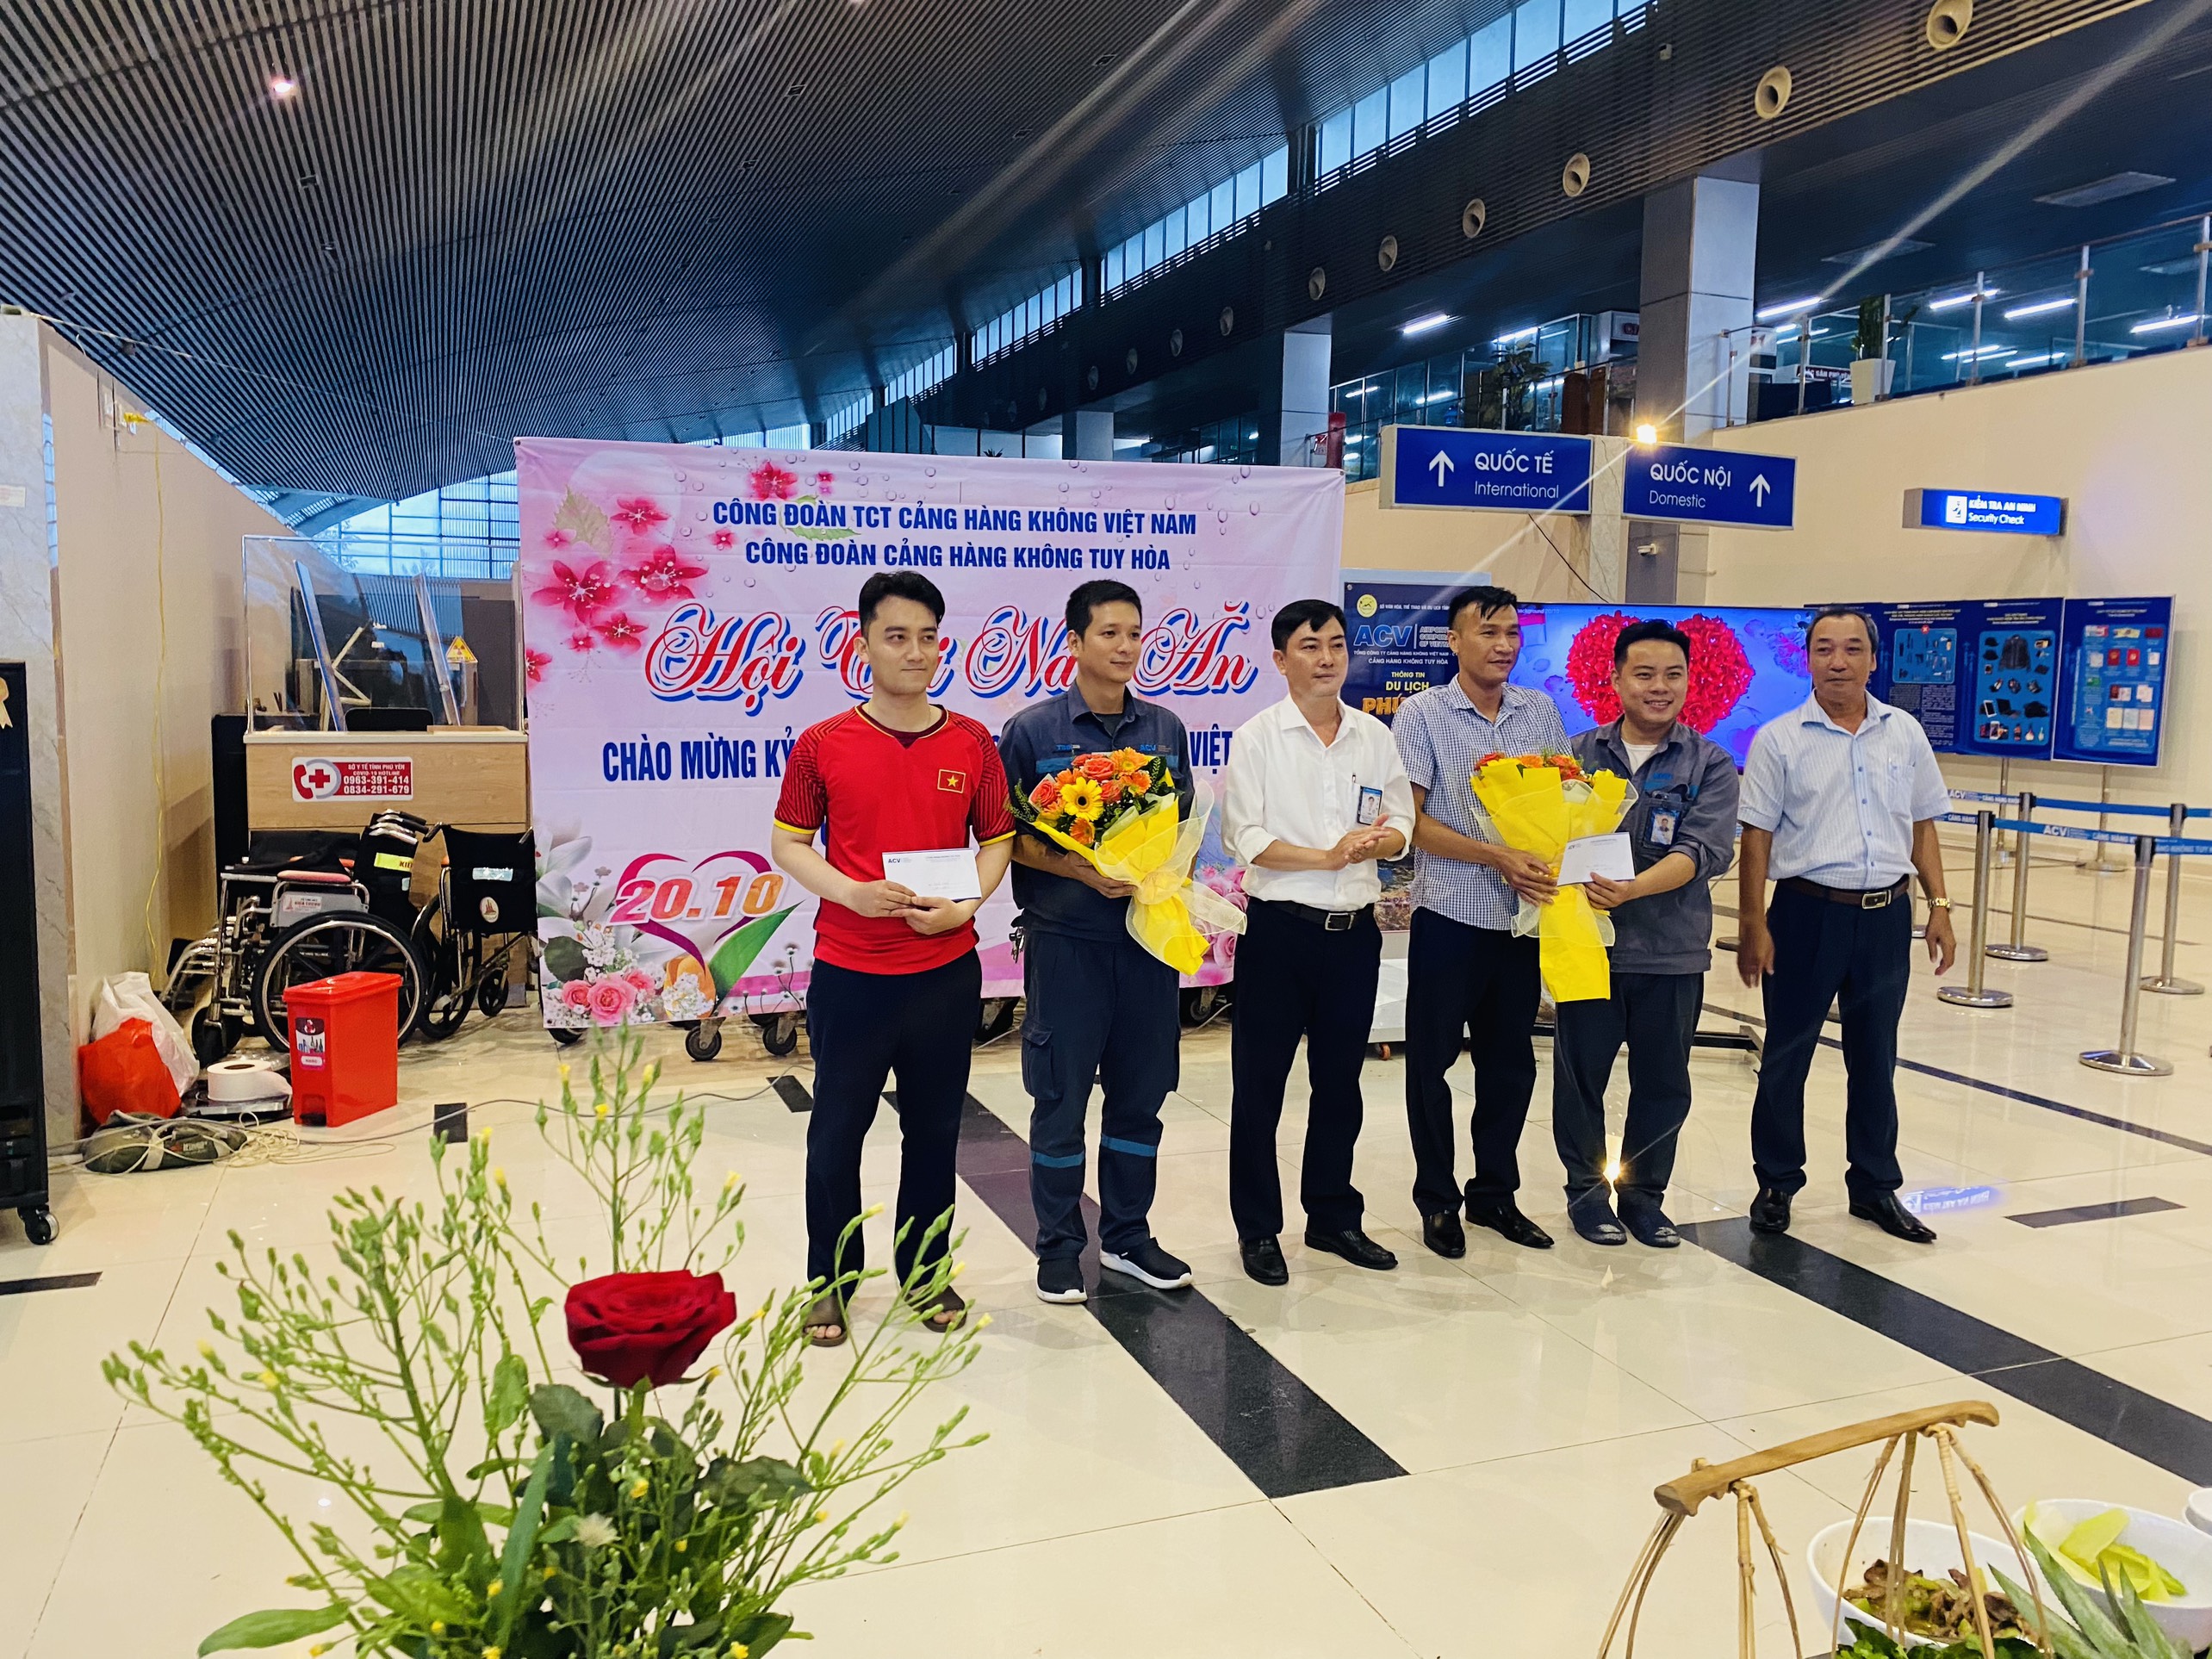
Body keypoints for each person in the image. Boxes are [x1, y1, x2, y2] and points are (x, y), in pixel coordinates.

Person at [770, 571, 1016, 1345]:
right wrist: (850, 893)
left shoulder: (972, 741)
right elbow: (788, 843)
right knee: (835, 1135)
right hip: (851, 974)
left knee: (935, 1133)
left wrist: (966, 906)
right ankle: (830, 1282)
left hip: (944, 974)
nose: (916, 652)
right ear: (865, 644)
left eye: (928, 637)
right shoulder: (822, 745)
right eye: (897, 636)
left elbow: (998, 839)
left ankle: (926, 1274)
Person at [997, 580, 1197, 1303]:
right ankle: (1058, 1247)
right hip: (1067, 944)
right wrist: (1080, 868)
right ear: (1075, 641)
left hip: (1148, 944)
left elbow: (1186, 825)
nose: (1126, 647)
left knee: (1142, 1095)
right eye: (1110, 633)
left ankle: (1128, 1236)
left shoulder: (1165, 729)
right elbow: (1005, 837)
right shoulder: (1031, 732)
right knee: (1060, 1098)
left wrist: (1160, 869)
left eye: (1135, 634)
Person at [1736, 605, 1956, 1244]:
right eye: (1825, 649)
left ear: (1873, 659)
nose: (1838, 661)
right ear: (1808, 660)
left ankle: (1875, 1186)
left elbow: (1921, 824)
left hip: (1886, 917)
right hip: (1806, 914)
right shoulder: (1780, 739)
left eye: (1853, 648)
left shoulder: (1904, 733)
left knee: (1876, 1056)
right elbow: (1756, 837)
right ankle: (1777, 1182)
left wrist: (1940, 905)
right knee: (1787, 1054)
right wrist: (1753, 923)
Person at [1221, 599, 1414, 1284]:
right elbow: (1243, 836)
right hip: (1280, 934)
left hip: (1353, 936)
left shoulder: (1373, 736)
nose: (1327, 658)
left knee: (1340, 1085)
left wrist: (1379, 842)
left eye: (1336, 644)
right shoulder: (1258, 737)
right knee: (1260, 1089)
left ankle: (1332, 1215)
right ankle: (1258, 1229)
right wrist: (1326, 857)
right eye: (1310, 646)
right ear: (1281, 660)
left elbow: (1402, 823)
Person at [1391, 585, 1569, 1257]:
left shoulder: (1538, 711)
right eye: (1488, 632)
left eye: (1512, 633)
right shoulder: (1422, 714)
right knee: (1431, 1065)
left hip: (1520, 922)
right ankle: (1438, 1200)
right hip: (1451, 916)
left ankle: (1495, 1194)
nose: (1503, 645)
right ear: (1454, 641)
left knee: (1511, 1066)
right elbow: (1411, 823)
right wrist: (1497, 855)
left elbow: (1564, 798)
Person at [1552, 619, 1739, 1249]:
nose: (1659, 687)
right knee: (1581, 1079)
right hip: (1589, 949)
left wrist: (1631, 890)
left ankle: (1643, 1198)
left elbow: (1703, 851)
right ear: (1615, 680)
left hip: (1670, 950)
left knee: (1663, 1084)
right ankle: (1586, 1196)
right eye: (1644, 674)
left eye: (1673, 675)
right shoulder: (1574, 756)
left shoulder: (1710, 763)